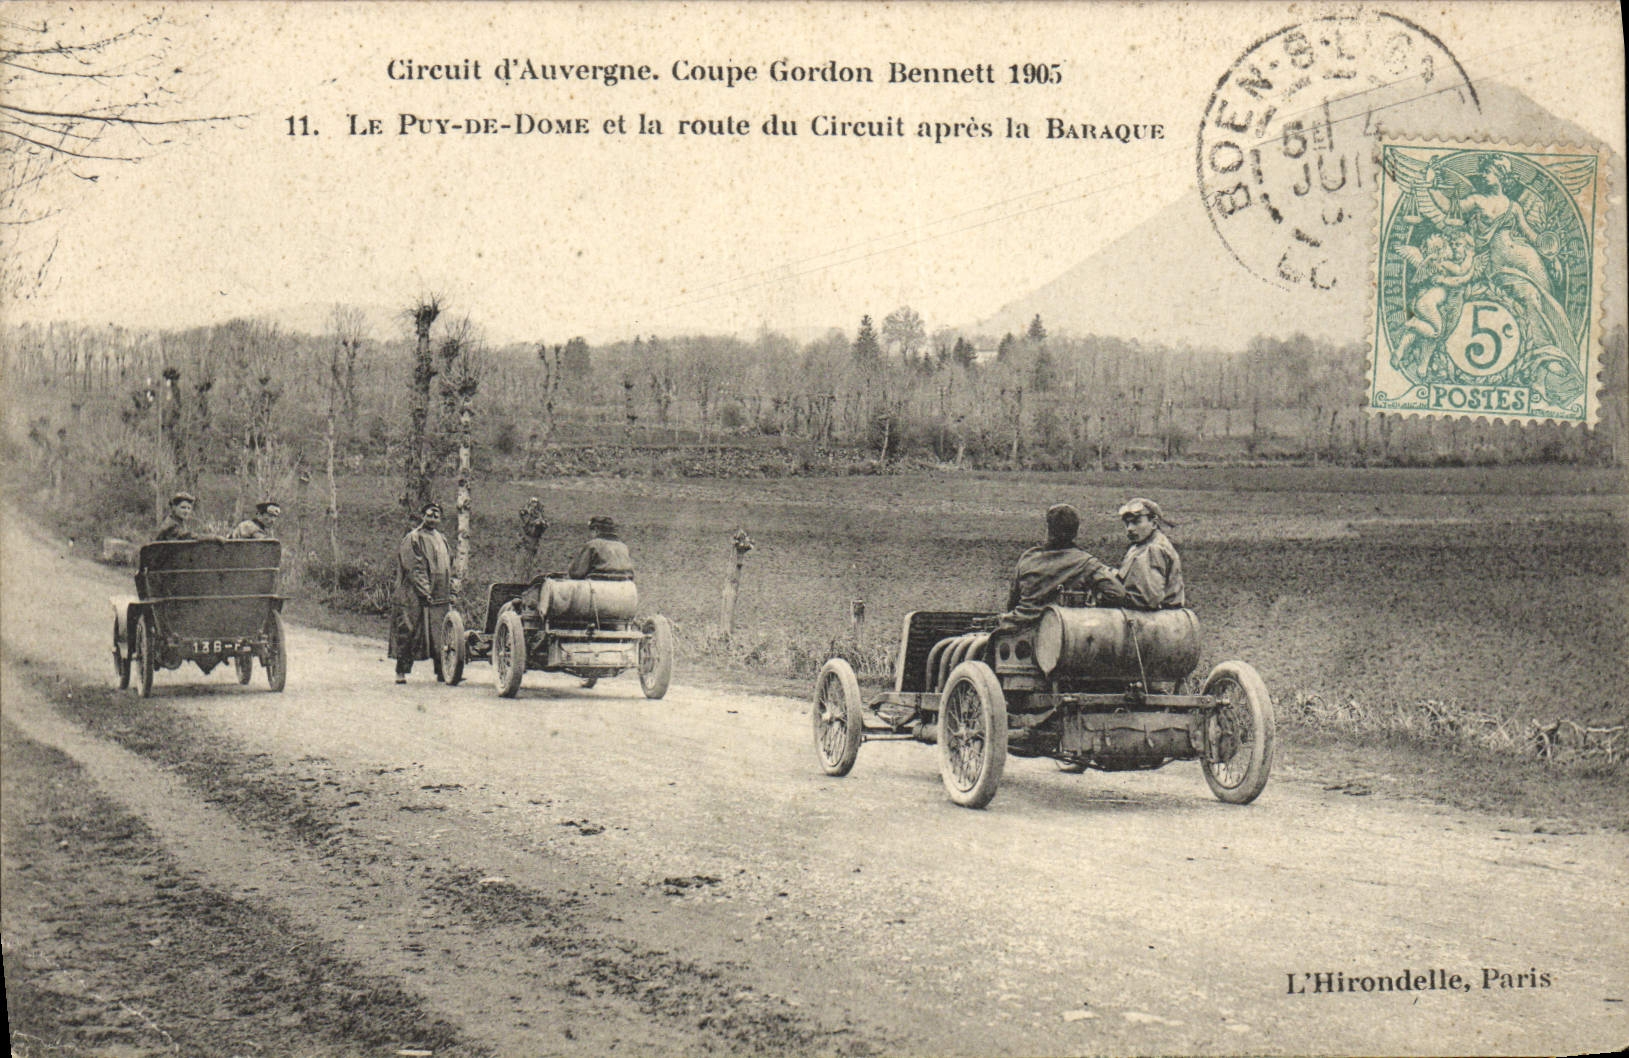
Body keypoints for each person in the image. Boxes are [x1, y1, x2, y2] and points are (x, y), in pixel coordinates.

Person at [999, 504, 1125, 629]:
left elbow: (1012, 603)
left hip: (1018, 629)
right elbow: (1117, 594)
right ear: (1075, 533)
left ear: (1048, 530)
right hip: (1060, 632)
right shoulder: (1086, 563)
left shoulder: (1028, 558)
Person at [388, 502, 451, 684]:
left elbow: (449, 565)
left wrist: (450, 589)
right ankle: (401, 671)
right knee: (408, 630)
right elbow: (415, 567)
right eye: (429, 514)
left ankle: (443, 672)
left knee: (440, 631)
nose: (432, 518)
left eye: (436, 515)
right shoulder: (413, 538)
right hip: (412, 593)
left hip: (439, 594)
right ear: (423, 516)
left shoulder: (442, 539)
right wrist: (424, 590)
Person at [1115, 498, 1185, 610]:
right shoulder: (1140, 545)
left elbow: (1147, 599)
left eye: (1136, 522)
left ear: (1153, 523)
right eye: (1127, 523)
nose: (1130, 528)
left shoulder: (1154, 549)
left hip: (1157, 619)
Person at [566, 515, 635, 580]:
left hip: (598, 586)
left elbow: (577, 573)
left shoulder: (593, 545)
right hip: (625, 585)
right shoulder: (623, 546)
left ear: (596, 529)